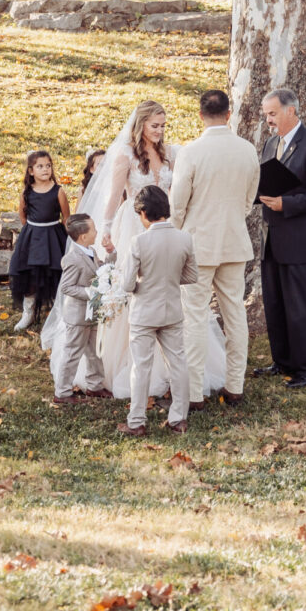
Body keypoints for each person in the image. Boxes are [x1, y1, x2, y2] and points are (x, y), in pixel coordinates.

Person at [78, 102, 225, 398]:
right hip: (133, 224)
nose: (159, 131)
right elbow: (113, 197)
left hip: (165, 225)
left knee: (171, 291)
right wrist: (105, 230)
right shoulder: (125, 156)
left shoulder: (171, 153)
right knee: (137, 290)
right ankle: (132, 365)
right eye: (154, 126)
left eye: (162, 126)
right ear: (140, 125)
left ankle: (177, 366)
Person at [171, 89, 262, 409]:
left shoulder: (191, 152)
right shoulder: (248, 150)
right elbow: (249, 200)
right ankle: (234, 385)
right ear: (229, 113)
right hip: (234, 242)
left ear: (200, 115)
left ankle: (194, 392)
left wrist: (178, 231)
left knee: (194, 316)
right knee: (235, 312)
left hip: (198, 244)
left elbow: (177, 203)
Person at [254, 88, 306, 390]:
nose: (269, 121)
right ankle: (282, 361)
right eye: (266, 115)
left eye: (272, 114)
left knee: (301, 307)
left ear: (291, 111)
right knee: (275, 304)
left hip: (301, 241)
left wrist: (287, 204)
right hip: (272, 239)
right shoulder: (270, 143)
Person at [116, 186, 198, 437]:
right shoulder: (184, 238)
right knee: (178, 363)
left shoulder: (139, 241)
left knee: (141, 367)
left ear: (143, 214)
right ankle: (179, 418)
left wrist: (144, 283)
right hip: (172, 309)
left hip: (144, 313)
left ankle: (137, 421)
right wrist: (169, 280)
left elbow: (128, 284)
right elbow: (192, 275)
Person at [47, 214, 109, 407]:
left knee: (95, 351)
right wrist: (90, 292)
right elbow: (66, 287)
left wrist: (112, 254)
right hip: (77, 315)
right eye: (94, 229)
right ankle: (62, 392)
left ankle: (95, 385)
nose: (97, 232)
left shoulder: (91, 250)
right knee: (73, 352)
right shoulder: (72, 258)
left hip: (92, 313)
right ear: (83, 236)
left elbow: (98, 269)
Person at [8, 150, 71, 332]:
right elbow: (23, 217)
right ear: (31, 171)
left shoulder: (58, 191)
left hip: (53, 237)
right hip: (33, 238)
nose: (45, 169)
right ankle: (28, 312)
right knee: (31, 277)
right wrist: (33, 231)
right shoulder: (26, 193)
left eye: (48, 166)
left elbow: (66, 217)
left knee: (56, 275)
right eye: (40, 166)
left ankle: (60, 313)